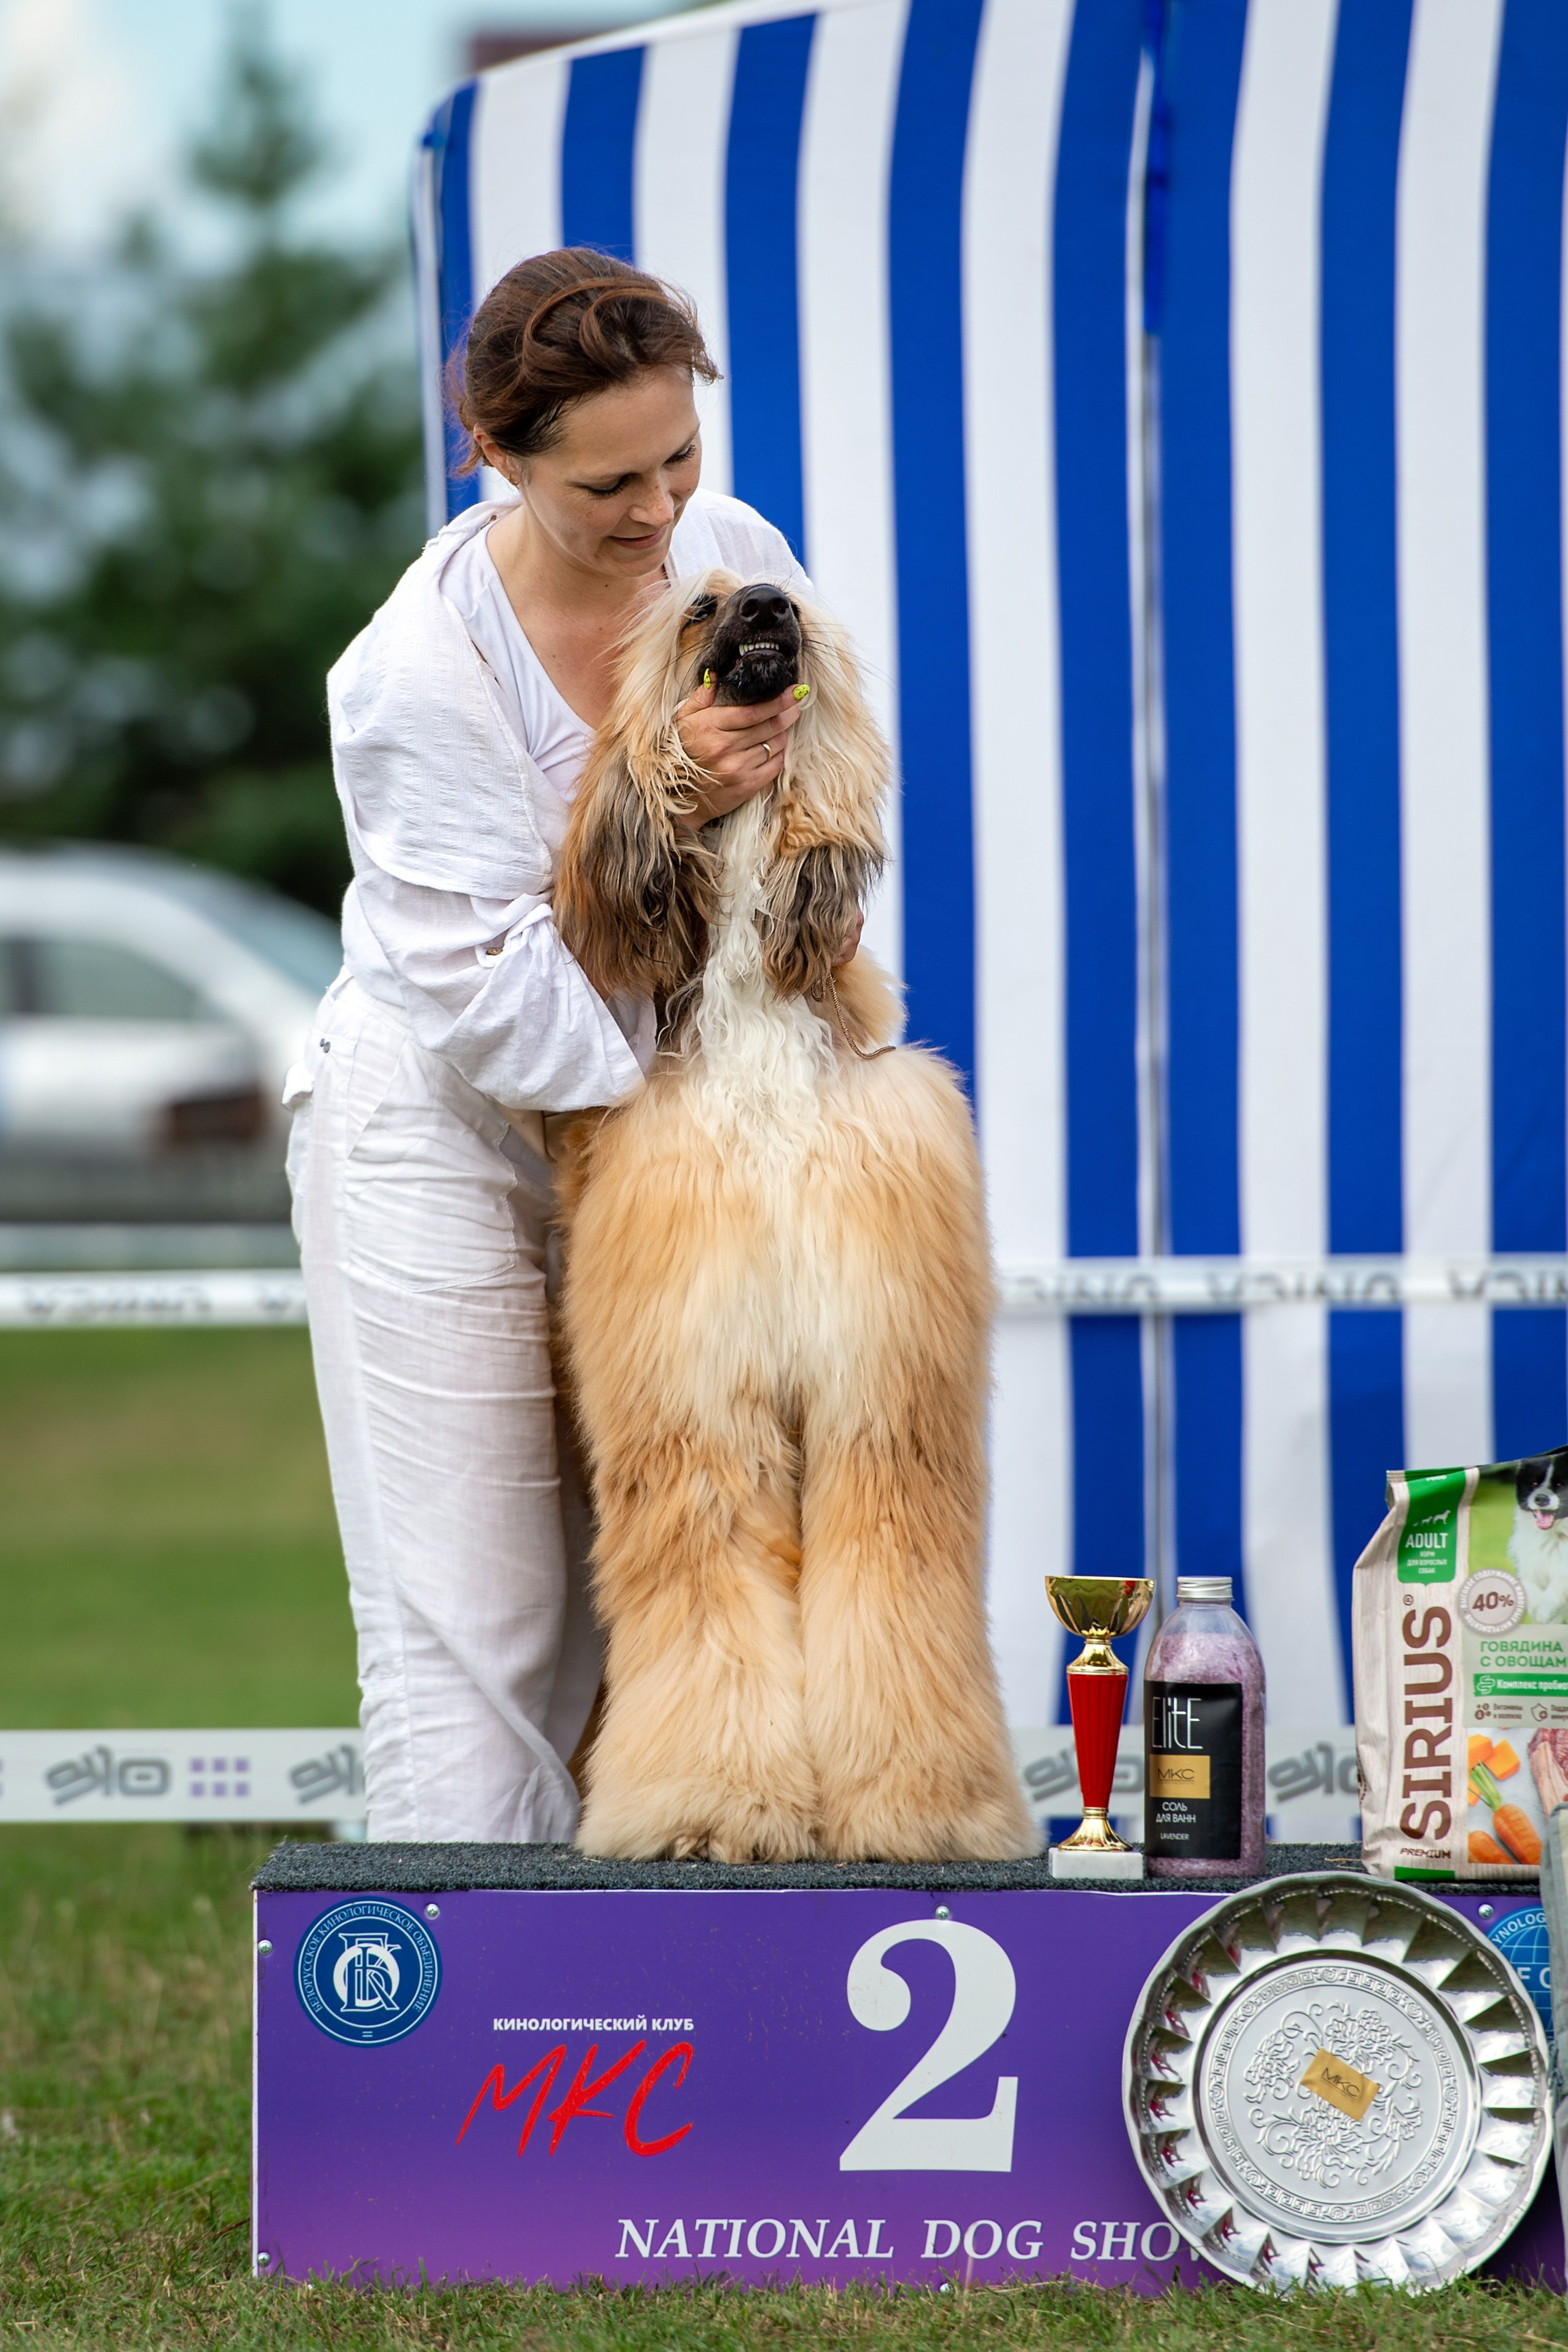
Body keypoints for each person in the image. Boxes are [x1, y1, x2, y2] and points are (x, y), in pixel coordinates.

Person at [284, 248, 838, 1842]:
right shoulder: (409, 680)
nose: (661, 510)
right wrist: (684, 791)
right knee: (479, 1640)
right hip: (444, 1133)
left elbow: (813, 853)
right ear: (495, 457)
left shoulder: (737, 559)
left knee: (653, 1598)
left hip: (666, 1122)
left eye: (681, 456)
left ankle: (618, 2045)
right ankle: (437, 2068)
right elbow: (521, 1014)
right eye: (609, 482)